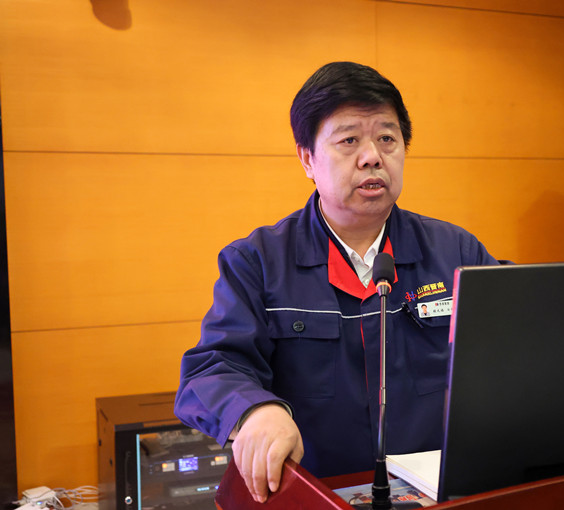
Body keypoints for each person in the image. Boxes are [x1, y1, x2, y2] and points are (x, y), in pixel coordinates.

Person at [174, 61, 502, 504]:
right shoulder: (257, 261)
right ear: (307, 159)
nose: (372, 156)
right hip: (315, 497)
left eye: (387, 139)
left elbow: (516, 340)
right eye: (349, 140)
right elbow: (213, 369)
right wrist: (255, 411)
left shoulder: (456, 252)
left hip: (437, 495)